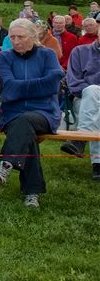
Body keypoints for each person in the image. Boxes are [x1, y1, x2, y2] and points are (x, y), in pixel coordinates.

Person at [0, 19, 64, 207]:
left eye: (20, 37)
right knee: (25, 131)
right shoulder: (4, 57)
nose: (15, 41)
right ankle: (32, 193)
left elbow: (52, 86)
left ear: (33, 36)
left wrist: (19, 88)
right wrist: (41, 83)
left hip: (44, 112)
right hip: (12, 112)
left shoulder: (47, 54)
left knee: (26, 121)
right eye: (12, 37)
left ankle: (6, 164)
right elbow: (10, 87)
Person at [63, 34, 100, 179]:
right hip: (82, 97)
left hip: (89, 105)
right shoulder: (79, 51)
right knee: (92, 94)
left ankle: (81, 138)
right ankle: (97, 163)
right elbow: (74, 83)